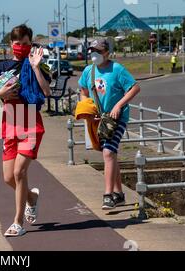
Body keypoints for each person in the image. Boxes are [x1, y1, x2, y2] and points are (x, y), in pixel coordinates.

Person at [0, 24, 51, 237]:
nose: (21, 47)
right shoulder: (2, 67)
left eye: (25, 43)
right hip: (10, 124)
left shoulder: (38, 64)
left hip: (31, 123)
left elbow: (46, 91)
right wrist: (2, 92)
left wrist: (35, 67)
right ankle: (31, 198)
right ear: (10, 45)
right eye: (17, 43)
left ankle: (17, 222)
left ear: (30, 44)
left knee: (19, 172)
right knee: (7, 178)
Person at [78, 39, 141, 210]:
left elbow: (134, 88)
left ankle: (108, 195)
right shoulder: (88, 71)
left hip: (116, 118)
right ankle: (119, 194)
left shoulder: (117, 69)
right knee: (110, 155)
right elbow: (83, 92)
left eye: (98, 51)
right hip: (99, 119)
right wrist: (88, 108)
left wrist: (119, 105)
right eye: (92, 51)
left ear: (107, 53)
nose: (94, 54)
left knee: (108, 152)